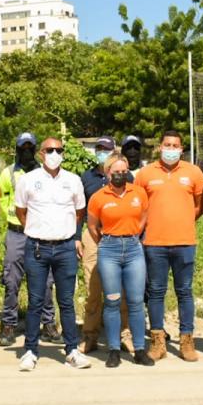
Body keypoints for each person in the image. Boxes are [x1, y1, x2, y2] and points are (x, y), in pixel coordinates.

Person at [14, 136, 91, 371]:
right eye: (49, 150)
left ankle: (72, 350)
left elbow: (79, 212)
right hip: (37, 247)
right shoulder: (28, 180)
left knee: (66, 301)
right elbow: (20, 211)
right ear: (41, 153)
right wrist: (38, 230)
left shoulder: (73, 180)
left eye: (59, 150)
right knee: (36, 301)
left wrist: (64, 231)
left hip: (65, 248)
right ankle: (30, 350)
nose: (54, 154)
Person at [139, 130, 203, 362]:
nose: (171, 149)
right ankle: (158, 342)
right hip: (154, 243)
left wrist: (182, 221)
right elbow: (140, 205)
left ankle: (187, 341)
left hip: (184, 242)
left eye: (175, 145)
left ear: (181, 149)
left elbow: (198, 206)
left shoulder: (193, 172)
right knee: (156, 292)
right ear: (160, 147)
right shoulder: (145, 174)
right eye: (167, 145)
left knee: (184, 291)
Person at [88, 152, 154, 368]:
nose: (121, 175)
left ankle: (139, 350)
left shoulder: (138, 192)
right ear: (108, 173)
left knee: (135, 301)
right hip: (109, 249)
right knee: (112, 301)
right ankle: (114, 350)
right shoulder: (98, 197)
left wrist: (135, 233)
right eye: (116, 171)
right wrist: (106, 243)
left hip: (134, 249)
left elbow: (144, 216)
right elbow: (92, 225)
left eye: (124, 171)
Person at [0, 132, 58, 348]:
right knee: (11, 280)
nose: (26, 152)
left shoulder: (45, 173)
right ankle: (8, 325)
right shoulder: (7, 173)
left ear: (36, 150)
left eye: (30, 148)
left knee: (46, 281)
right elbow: (2, 200)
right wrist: (15, 219)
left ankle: (48, 323)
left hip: (41, 234)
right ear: (16, 150)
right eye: (22, 148)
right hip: (16, 233)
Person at [78, 136, 132, 354]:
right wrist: (77, 237)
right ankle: (90, 335)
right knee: (93, 288)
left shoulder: (126, 177)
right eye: (99, 149)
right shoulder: (86, 177)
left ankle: (124, 334)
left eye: (106, 149)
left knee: (122, 289)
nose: (102, 152)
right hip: (92, 235)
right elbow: (79, 210)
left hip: (119, 235)